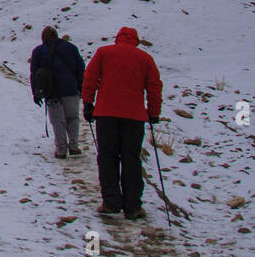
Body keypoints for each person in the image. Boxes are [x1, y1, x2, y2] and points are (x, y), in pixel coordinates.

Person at [81, 26, 163, 220]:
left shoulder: (104, 52)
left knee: (107, 156)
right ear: (136, 40)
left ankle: (111, 202)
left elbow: (90, 78)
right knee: (131, 158)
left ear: (117, 38)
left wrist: (87, 103)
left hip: (106, 114)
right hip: (134, 117)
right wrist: (153, 113)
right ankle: (133, 206)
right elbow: (154, 87)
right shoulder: (145, 58)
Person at [29, 27, 86, 158]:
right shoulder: (71, 47)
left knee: (58, 121)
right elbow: (80, 67)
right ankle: (74, 146)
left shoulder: (38, 51)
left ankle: (61, 150)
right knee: (72, 118)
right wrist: (80, 86)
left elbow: (34, 73)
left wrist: (36, 92)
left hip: (51, 91)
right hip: (71, 88)